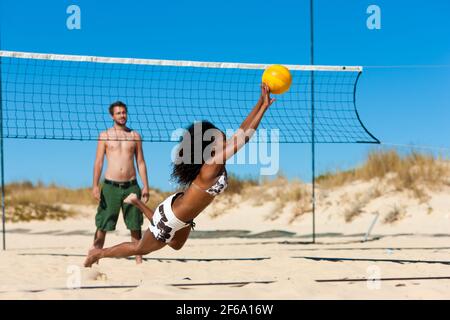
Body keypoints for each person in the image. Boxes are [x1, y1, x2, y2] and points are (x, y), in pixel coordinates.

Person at [84, 84, 274, 267]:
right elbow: (244, 137)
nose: (224, 135)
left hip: (181, 215)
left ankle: (138, 204)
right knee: (141, 247)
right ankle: (98, 253)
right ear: (208, 145)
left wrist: (261, 103)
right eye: (218, 135)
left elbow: (241, 131)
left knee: (176, 245)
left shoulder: (214, 160)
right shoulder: (211, 165)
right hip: (173, 216)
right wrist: (263, 108)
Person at [90, 101, 150, 264]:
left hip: (131, 185)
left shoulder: (135, 136)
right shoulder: (105, 135)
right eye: (118, 113)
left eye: (124, 112)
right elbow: (98, 162)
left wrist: (145, 185)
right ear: (112, 116)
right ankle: (95, 256)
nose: (122, 115)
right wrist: (95, 185)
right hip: (110, 186)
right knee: (103, 224)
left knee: (135, 225)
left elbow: (141, 162)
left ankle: (139, 261)